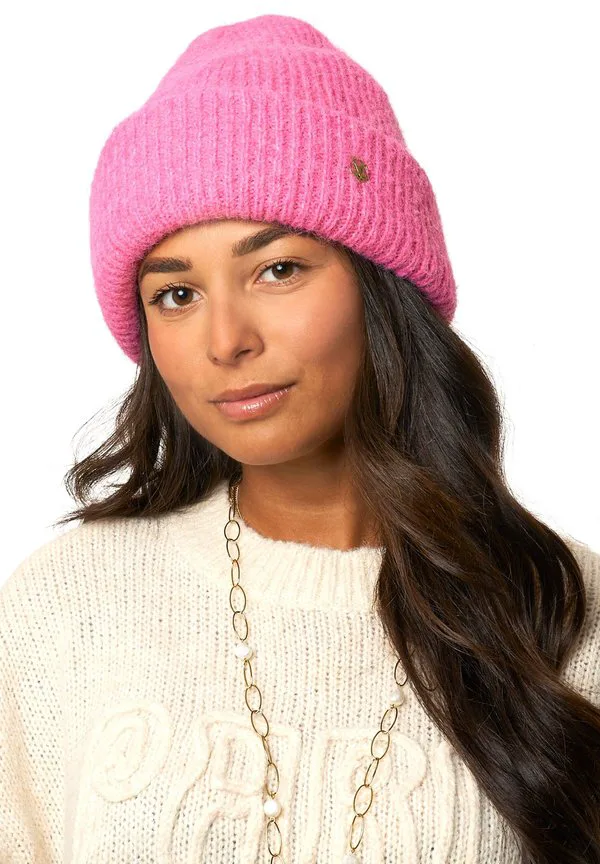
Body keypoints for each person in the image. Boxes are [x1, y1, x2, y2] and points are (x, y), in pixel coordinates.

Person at [1, 12, 599, 864]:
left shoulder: (562, 610)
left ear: (380, 286)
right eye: (176, 294)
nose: (226, 341)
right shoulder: (65, 605)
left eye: (277, 269)